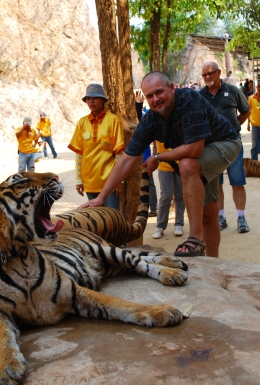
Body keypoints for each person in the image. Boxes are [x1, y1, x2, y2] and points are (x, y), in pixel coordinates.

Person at [79, 71, 241, 258]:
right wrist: (101, 197)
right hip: (203, 154)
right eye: (150, 96)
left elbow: (195, 149)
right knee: (208, 215)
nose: (155, 99)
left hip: (225, 142)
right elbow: (125, 160)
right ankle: (214, 265)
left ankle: (195, 239)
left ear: (172, 88)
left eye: (159, 92)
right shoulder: (150, 120)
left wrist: (157, 158)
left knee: (187, 165)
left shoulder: (189, 99)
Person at [199, 62, 251, 234]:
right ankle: (220, 217)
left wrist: (235, 126)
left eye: (210, 73)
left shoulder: (233, 91)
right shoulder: (200, 95)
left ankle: (241, 217)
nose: (207, 77)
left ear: (219, 73)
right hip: (211, 147)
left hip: (233, 143)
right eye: (204, 75)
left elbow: (246, 111)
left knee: (237, 181)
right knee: (217, 183)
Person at [68, 83, 125, 209]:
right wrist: (78, 179)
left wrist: (119, 181)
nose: (91, 101)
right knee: (97, 219)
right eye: (88, 98)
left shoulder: (113, 120)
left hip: (109, 182)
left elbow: (119, 153)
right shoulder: (82, 123)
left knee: (112, 219)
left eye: (95, 98)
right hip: (89, 182)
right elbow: (79, 153)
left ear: (103, 100)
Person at [153, 141, 185, 239]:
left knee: (180, 195)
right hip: (164, 164)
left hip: (180, 163)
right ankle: (160, 226)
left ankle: (179, 224)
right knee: (166, 196)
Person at [135, 89, 158, 216]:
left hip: (144, 156)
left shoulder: (145, 115)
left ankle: (153, 208)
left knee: (149, 183)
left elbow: (139, 121)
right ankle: (143, 207)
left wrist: (138, 105)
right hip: (136, 157)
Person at [248, 84, 260, 160]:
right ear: (257, 88)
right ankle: (254, 163)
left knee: (257, 145)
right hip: (255, 125)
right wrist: (248, 124)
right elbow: (249, 111)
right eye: (259, 87)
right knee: (254, 145)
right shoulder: (251, 98)